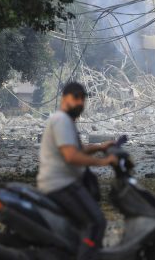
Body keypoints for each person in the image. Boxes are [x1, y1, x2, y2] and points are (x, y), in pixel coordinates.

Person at [37, 82, 117, 260]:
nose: (80, 102)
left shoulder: (66, 121)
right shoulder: (61, 121)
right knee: (96, 223)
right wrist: (103, 162)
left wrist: (101, 147)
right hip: (61, 185)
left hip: (65, 183)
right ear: (64, 98)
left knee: (82, 225)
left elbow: (78, 149)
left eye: (83, 98)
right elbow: (72, 156)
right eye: (76, 97)